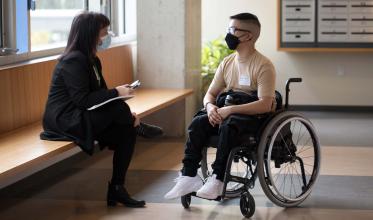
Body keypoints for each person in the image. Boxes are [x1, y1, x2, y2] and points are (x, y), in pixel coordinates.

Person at [40, 12, 163, 208]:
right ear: (91, 34)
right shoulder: (73, 60)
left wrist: (119, 96)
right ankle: (137, 126)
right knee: (119, 110)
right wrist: (116, 92)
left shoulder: (92, 60)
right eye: (104, 32)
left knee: (126, 130)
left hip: (82, 113)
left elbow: (101, 95)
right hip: (64, 118)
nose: (107, 36)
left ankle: (117, 188)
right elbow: (83, 100)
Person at [165, 13, 276, 200]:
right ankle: (188, 175)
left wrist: (229, 110)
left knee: (229, 124)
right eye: (228, 29)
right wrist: (210, 108)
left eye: (233, 30)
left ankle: (217, 178)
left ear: (248, 36)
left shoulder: (264, 65)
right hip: (226, 109)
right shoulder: (227, 62)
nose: (228, 34)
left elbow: (265, 104)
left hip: (251, 117)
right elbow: (210, 94)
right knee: (198, 122)